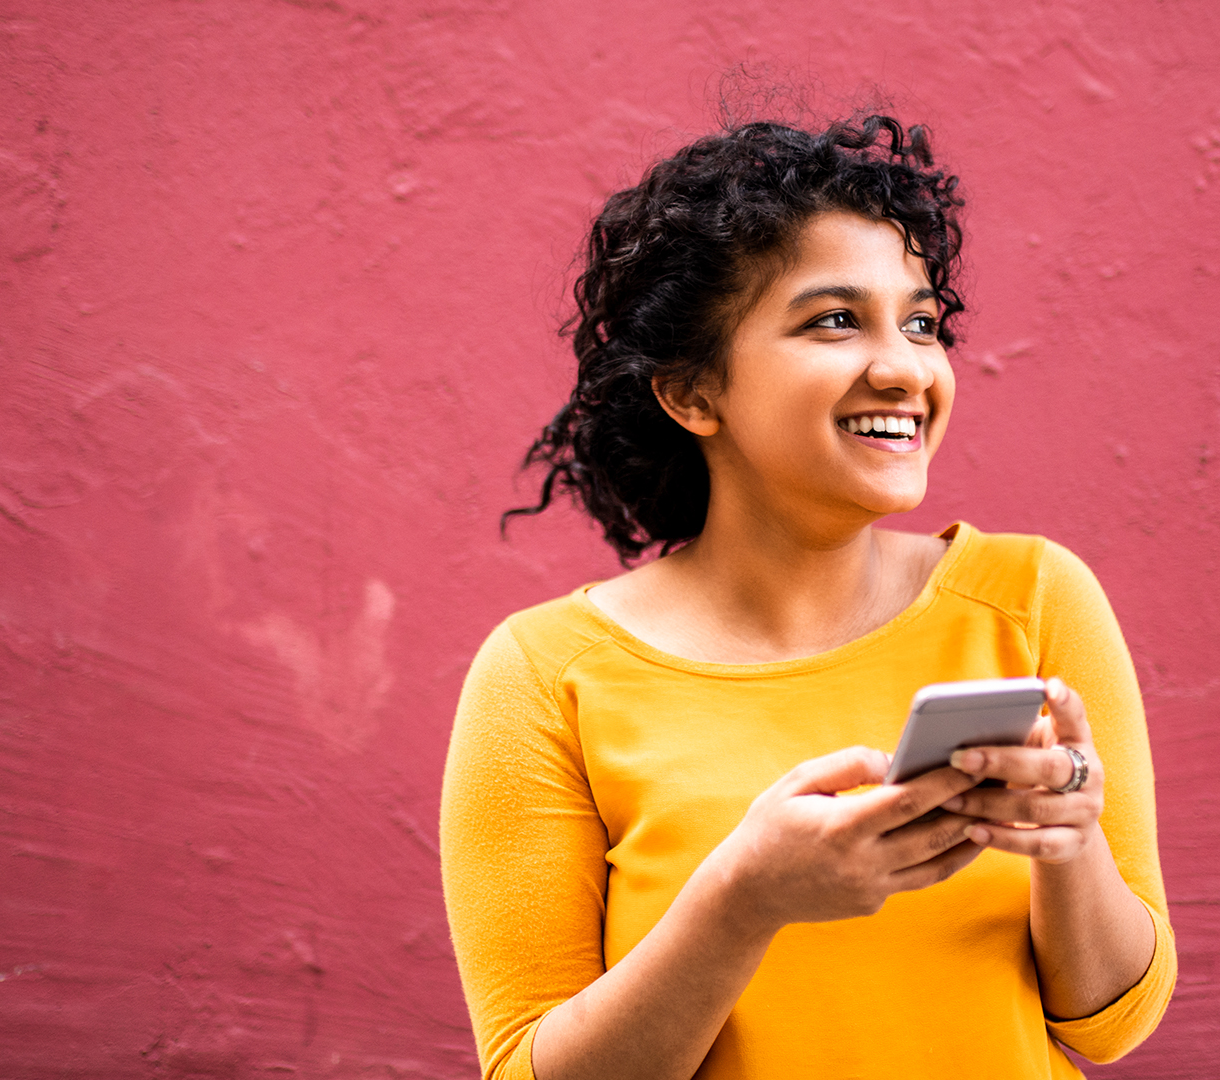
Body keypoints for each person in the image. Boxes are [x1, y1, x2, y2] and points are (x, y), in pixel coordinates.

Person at [439, 115, 1175, 1080]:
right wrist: (743, 900)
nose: (905, 369)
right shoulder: (545, 676)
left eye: (920, 322)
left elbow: (1112, 1024)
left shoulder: (1032, 598)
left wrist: (1068, 841)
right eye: (835, 320)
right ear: (693, 394)